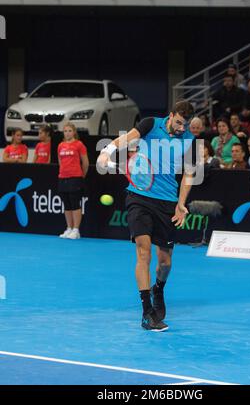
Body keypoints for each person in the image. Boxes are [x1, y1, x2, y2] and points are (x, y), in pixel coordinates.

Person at [97, 101, 196, 331]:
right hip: (139, 195)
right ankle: (147, 312)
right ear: (171, 116)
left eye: (186, 124)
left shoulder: (190, 140)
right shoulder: (151, 124)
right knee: (143, 252)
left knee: (165, 262)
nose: (182, 128)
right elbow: (126, 138)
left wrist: (181, 203)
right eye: (179, 122)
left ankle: (158, 288)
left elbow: (189, 175)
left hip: (167, 202)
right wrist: (107, 151)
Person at [58, 123, 89, 240]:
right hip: (62, 178)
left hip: (75, 178)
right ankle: (69, 228)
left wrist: (81, 176)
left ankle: (76, 230)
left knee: (75, 203)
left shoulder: (79, 145)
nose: (67, 133)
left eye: (69, 131)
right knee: (66, 204)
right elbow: (60, 162)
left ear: (74, 132)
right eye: (65, 131)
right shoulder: (60, 145)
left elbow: (85, 163)